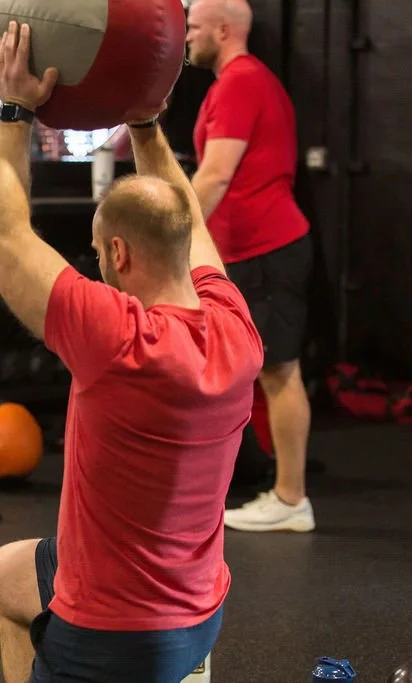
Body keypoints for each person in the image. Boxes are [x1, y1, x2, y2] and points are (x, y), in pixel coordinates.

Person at [0, 22, 264, 683]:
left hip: (112, 634)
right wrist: (145, 124)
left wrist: (14, 107)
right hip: (200, 607)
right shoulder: (234, 323)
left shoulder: (116, 336)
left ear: (117, 254)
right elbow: (188, 223)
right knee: (7, 572)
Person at [186, 0, 317, 532]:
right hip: (248, 250)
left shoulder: (241, 81)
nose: (187, 36)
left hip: (267, 247)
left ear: (224, 29)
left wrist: (172, 233)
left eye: (193, 28)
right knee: (251, 372)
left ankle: (291, 500)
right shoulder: (235, 81)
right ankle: (266, 486)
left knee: (280, 372)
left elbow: (215, 175)